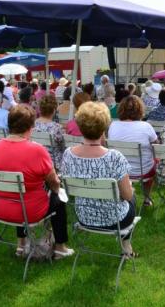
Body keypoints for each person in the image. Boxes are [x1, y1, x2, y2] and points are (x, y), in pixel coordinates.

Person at [0, 105, 73, 259]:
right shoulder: (37, 150)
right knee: (59, 199)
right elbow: (54, 181)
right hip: (28, 211)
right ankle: (60, 248)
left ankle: (21, 245)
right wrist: (56, 190)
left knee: (18, 192)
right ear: (30, 126)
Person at [60, 101, 137, 258]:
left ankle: (126, 246)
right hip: (116, 220)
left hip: (84, 217)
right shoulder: (115, 157)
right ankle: (126, 246)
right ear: (104, 126)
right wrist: (129, 188)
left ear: (80, 126)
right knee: (132, 196)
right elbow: (127, 196)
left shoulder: (68, 154)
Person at [108, 96, 159, 206]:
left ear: (121, 109)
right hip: (142, 170)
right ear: (140, 109)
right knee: (155, 160)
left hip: (119, 170)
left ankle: (126, 192)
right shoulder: (146, 126)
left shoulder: (113, 125)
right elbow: (156, 146)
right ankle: (147, 198)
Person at [33, 94, 65, 171]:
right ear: (54, 110)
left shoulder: (32, 124)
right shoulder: (57, 127)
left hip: (35, 159)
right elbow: (62, 146)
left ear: (40, 109)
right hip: (52, 162)